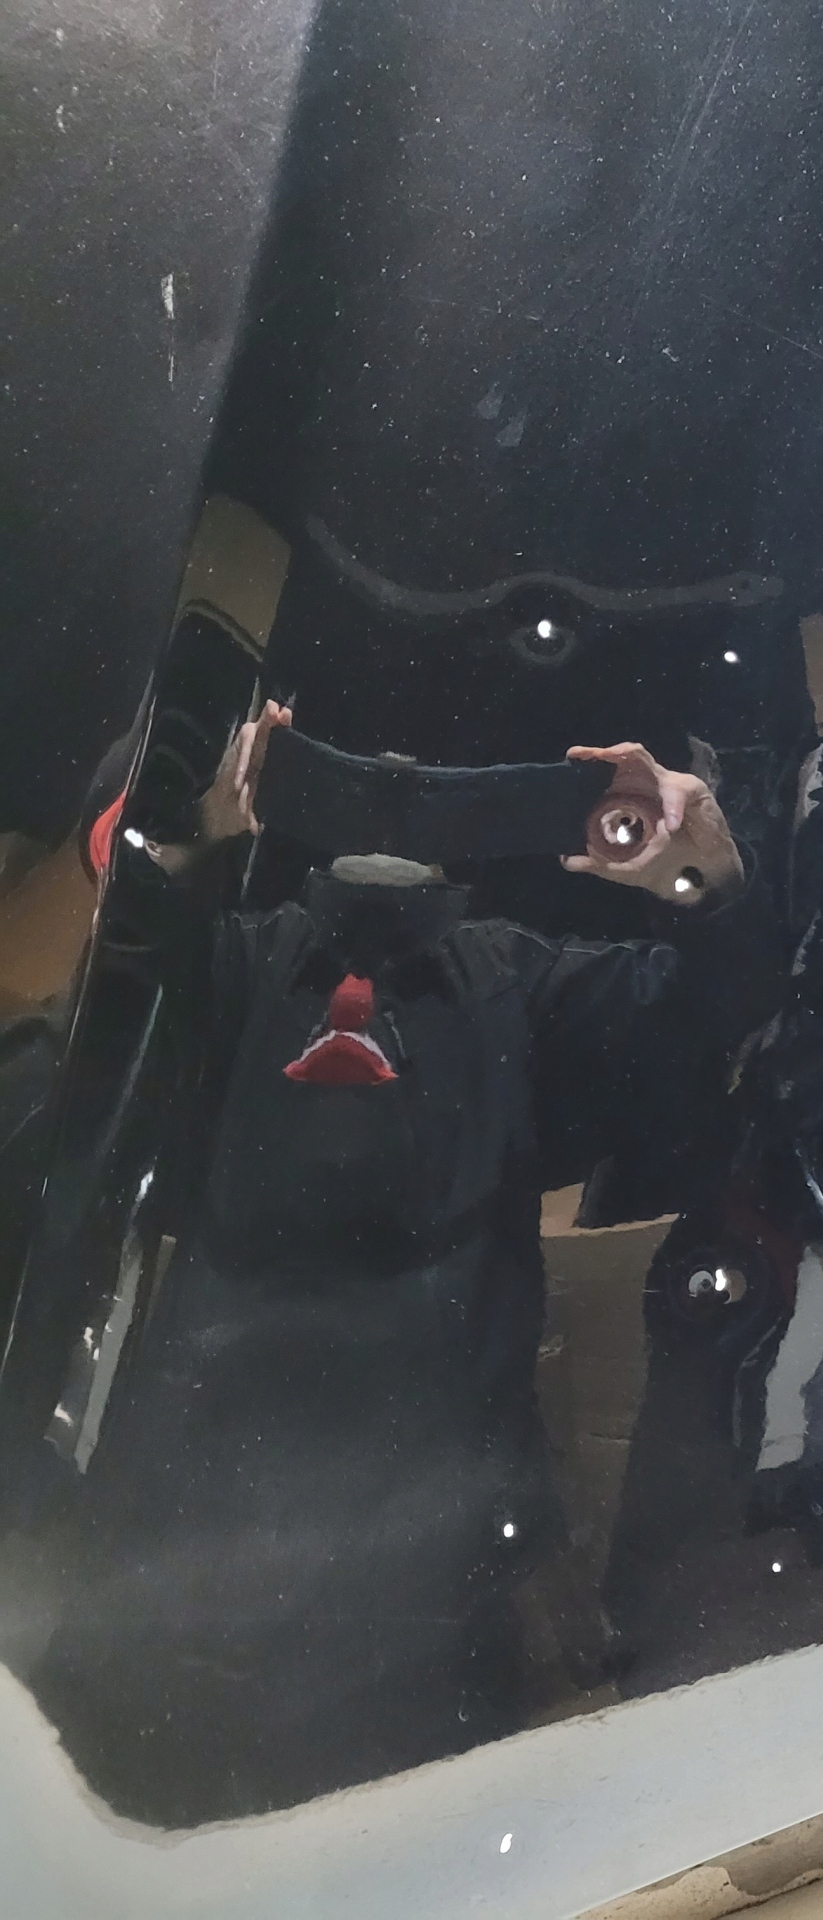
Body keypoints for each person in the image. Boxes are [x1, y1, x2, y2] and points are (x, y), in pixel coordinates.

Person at [28, 704, 779, 1824]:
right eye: (352, 790)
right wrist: (190, 817)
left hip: (429, 1597)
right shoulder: (227, 967)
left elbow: (719, 1013)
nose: (395, 807)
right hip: (176, 1576)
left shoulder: (519, 988)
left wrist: (699, 872)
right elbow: (112, 977)